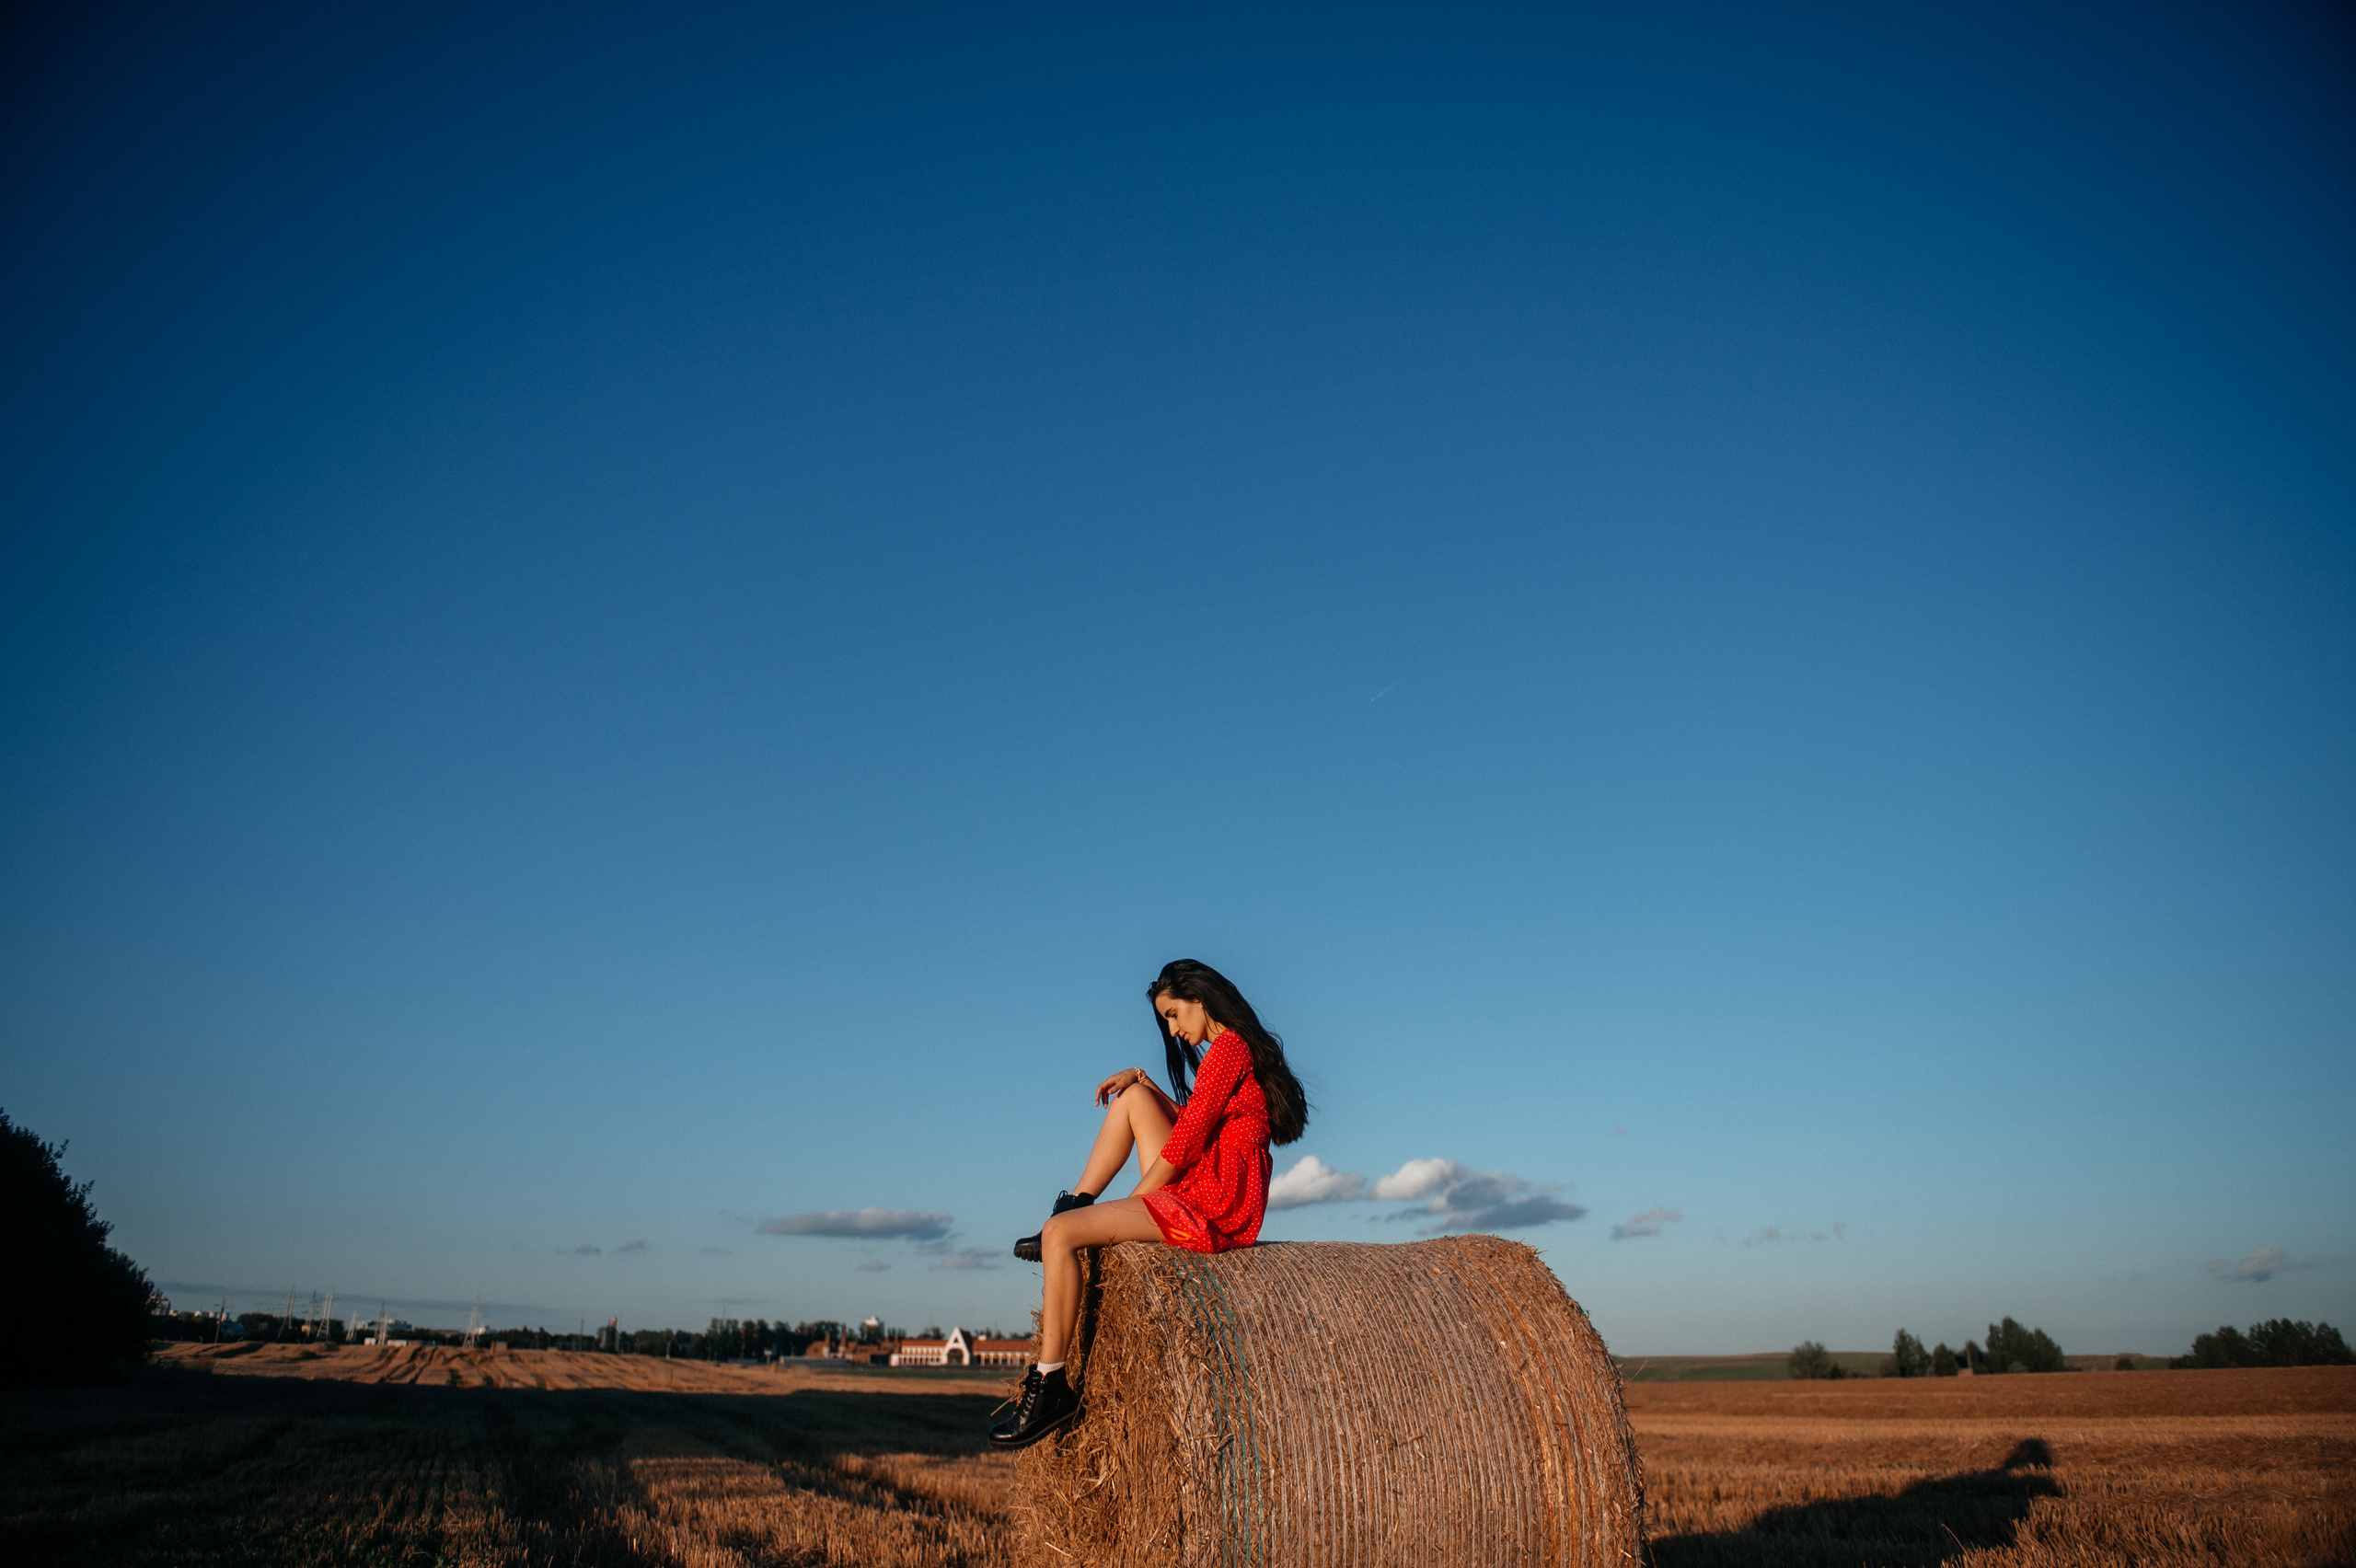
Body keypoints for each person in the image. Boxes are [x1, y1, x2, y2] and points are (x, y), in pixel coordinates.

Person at [987, 959, 1310, 1448]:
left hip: (1213, 1200)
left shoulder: (1228, 1048)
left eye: (1175, 1015)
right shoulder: (1231, 1051)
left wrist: (1137, 1201)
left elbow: (1186, 1143)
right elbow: (1197, 1124)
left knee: (1060, 1237)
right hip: (1212, 1178)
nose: (1175, 1030)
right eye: (1167, 1022)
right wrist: (1142, 1079)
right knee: (1132, 1098)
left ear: (1201, 999)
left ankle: (1050, 1383)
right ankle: (1076, 1203)